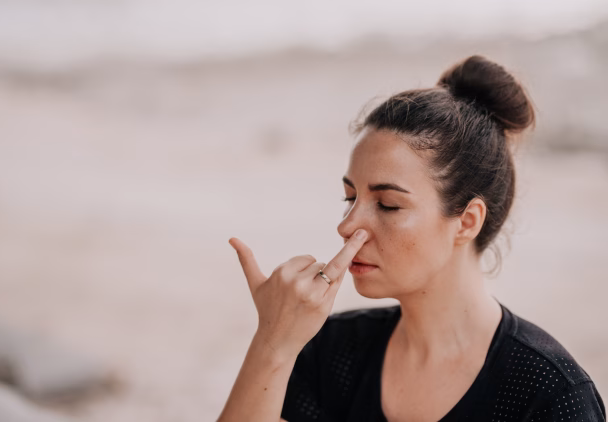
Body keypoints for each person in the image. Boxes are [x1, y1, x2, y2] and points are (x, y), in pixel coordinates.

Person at [217, 55, 606, 422]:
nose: (347, 226)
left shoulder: (551, 394)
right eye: (350, 198)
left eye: (387, 205)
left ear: (467, 222)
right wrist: (272, 344)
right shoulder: (330, 351)